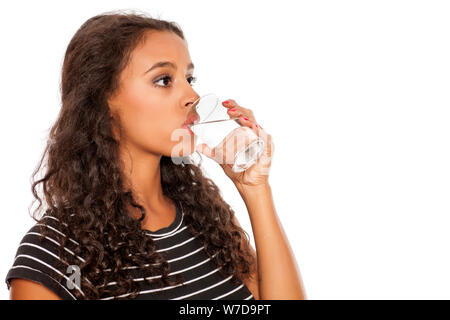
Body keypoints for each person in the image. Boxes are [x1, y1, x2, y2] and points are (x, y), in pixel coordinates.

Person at [5, 10, 306, 300]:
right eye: (164, 80)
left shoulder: (208, 221)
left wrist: (255, 190)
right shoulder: (53, 254)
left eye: (190, 79)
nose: (192, 97)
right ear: (102, 99)